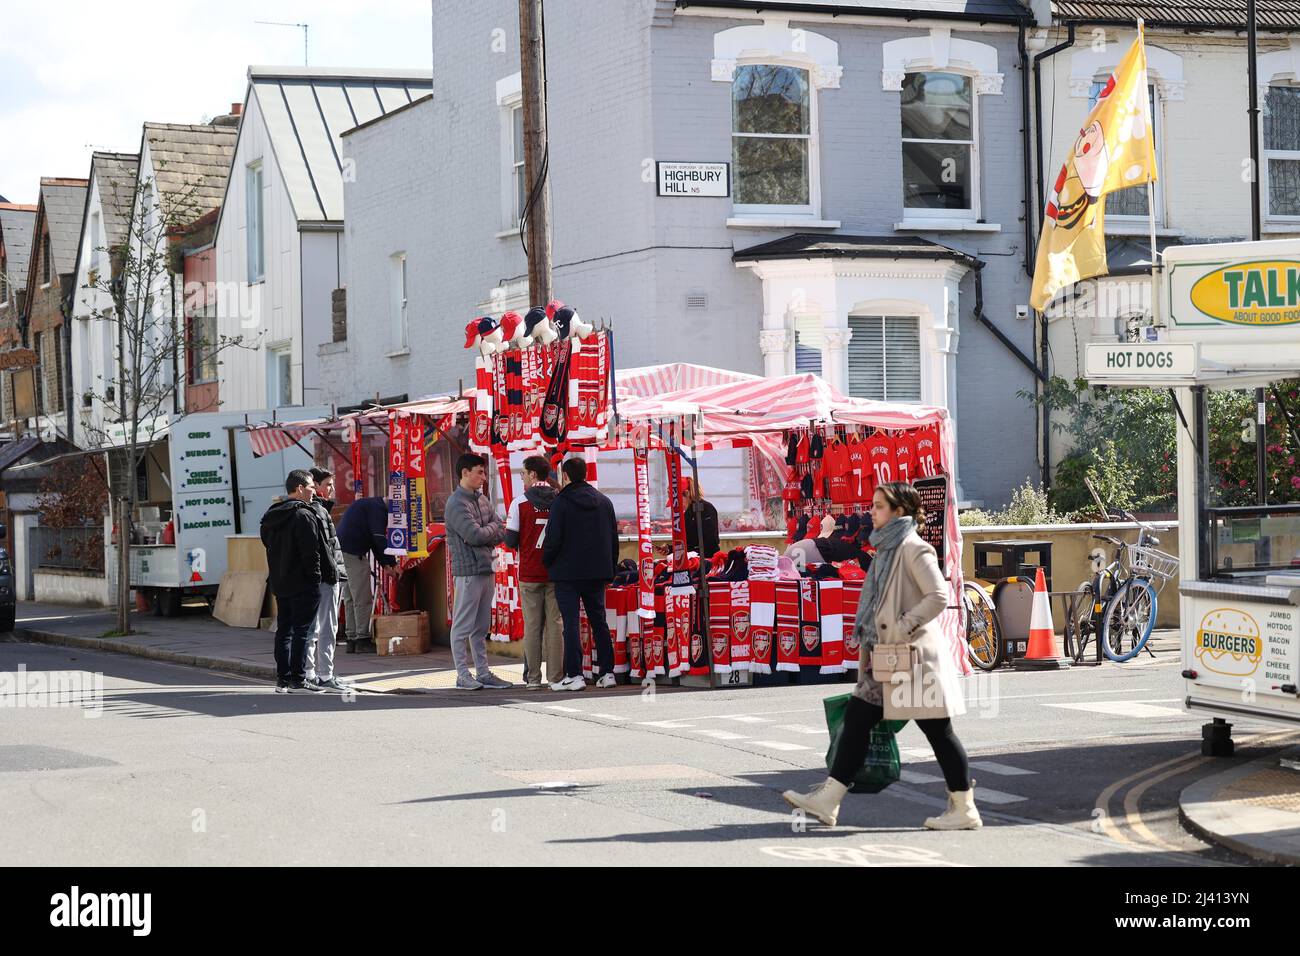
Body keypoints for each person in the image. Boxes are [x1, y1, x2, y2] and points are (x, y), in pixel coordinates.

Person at [782, 481, 980, 830]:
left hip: (913, 657)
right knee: (857, 721)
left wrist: (902, 626)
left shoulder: (913, 548)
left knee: (939, 732)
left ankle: (964, 807)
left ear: (899, 511)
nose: (871, 512)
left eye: (879, 506)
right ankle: (829, 800)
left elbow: (936, 595)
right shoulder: (887, 548)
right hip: (891, 656)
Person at [542, 457, 619, 691]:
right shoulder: (604, 502)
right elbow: (613, 540)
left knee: (571, 623)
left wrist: (548, 562)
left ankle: (575, 674)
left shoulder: (561, 503)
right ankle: (607, 672)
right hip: (597, 571)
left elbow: (553, 539)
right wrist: (611, 568)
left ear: (565, 476)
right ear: (585, 473)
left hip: (567, 573)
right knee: (599, 621)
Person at [444, 452, 513, 691]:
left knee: (481, 626)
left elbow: (501, 530)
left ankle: (482, 672)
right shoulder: (456, 503)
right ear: (465, 473)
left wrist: (490, 529)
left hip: (486, 567)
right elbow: (474, 535)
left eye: (484, 472)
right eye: (480, 472)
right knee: (463, 625)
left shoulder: (481, 500)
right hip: (467, 572)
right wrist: (491, 529)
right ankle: (462, 674)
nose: (484, 477)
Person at [260, 469, 331, 694]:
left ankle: (283, 680)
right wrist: (316, 578)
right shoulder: (304, 515)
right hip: (303, 582)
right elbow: (312, 553)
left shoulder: (271, 515)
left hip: (280, 581)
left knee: (284, 631)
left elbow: (266, 544)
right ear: (299, 488)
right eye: (311, 487)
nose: (314, 492)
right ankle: (299, 680)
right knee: (302, 631)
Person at [505, 456, 563, 690]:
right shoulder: (559, 500)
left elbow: (510, 540)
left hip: (529, 572)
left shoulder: (519, 503)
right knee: (555, 626)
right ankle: (556, 678)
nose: (522, 478)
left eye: (523, 474)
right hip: (555, 572)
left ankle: (533, 679)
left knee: (532, 627)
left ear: (532, 475)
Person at [302, 467, 350, 691]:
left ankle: (311, 673)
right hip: (327, 576)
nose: (332, 489)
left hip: (321, 575)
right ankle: (324, 674)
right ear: (316, 486)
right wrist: (334, 573)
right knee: (326, 626)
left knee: (315, 626)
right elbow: (326, 548)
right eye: (328, 484)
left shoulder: (317, 510)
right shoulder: (318, 511)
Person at [336, 496, 396, 654]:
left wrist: (386, 564)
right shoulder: (378, 509)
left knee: (350, 598)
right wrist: (392, 563)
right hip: (354, 553)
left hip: (342, 551)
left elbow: (374, 540)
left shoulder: (370, 505)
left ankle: (352, 638)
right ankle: (362, 639)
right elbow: (379, 539)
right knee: (362, 598)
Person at [680, 476, 720, 559]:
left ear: (687, 494)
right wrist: (670, 549)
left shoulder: (706, 509)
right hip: (691, 559)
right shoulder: (687, 513)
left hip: (706, 560)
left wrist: (691, 554)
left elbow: (711, 541)